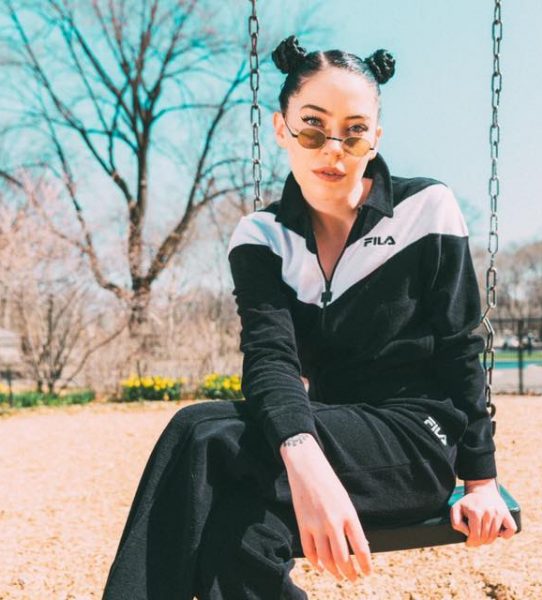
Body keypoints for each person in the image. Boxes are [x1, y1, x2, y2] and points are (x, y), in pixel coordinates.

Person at [102, 35, 517, 600]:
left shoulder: (426, 210)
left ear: (375, 138)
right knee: (235, 535)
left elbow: (460, 343)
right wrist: (306, 461)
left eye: (354, 131)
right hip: (323, 431)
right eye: (313, 127)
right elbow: (270, 360)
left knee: (202, 434)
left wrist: (482, 480)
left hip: (416, 439)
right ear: (282, 129)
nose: (333, 150)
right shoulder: (262, 237)